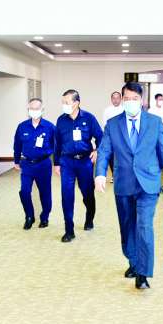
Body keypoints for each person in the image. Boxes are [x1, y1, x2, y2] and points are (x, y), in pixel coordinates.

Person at [95, 82, 163, 289]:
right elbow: (104, 151)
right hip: (123, 183)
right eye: (127, 99)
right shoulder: (113, 124)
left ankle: (143, 273)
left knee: (144, 226)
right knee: (127, 227)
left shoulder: (154, 122)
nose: (131, 102)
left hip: (148, 183)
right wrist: (100, 174)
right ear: (122, 100)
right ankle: (133, 261)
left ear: (142, 100)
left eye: (135, 99)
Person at [54, 89, 103, 243]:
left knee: (88, 194)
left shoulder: (88, 118)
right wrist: (56, 163)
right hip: (67, 162)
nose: (64, 105)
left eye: (66, 102)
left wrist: (97, 150)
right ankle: (69, 230)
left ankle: (89, 218)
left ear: (76, 103)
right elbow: (57, 143)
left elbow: (100, 136)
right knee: (67, 195)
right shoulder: (61, 120)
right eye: (62, 102)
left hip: (84, 162)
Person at [13, 98, 55, 229]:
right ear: (28, 110)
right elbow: (17, 145)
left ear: (42, 110)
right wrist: (16, 161)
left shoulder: (50, 127)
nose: (34, 111)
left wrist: (57, 162)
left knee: (45, 193)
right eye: (31, 108)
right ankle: (29, 216)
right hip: (27, 164)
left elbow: (56, 146)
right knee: (24, 191)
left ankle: (45, 217)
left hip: (43, 164)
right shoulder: (22, 126)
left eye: (37, 108)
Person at [103, 91, 124, 181]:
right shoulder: (107, 110)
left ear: (121, 99)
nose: (115, 100)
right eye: (113, 98)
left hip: (123, 138)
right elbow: (105, 124)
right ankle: (114, 175)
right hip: (111, 138)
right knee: (111, 157)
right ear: (111, 99)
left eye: (117, 98)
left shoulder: (124, 109)